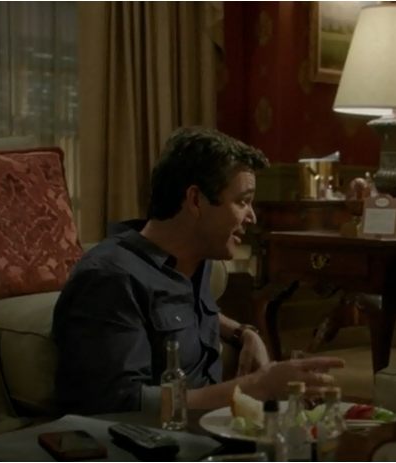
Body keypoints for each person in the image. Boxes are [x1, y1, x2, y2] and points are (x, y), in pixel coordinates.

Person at [53, 127, 345, 416]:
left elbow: (177, 311)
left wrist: (245, 333)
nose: (252, 217)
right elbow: (121, 405)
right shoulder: (110, 278)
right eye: (242, 201)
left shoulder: (195, 259)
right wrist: (255, 387)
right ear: (195, 200)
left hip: (213, 428)